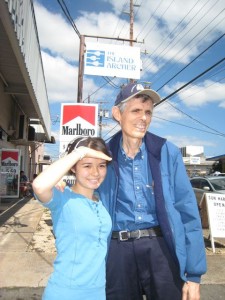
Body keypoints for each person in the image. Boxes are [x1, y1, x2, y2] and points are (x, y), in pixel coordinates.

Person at [96, 83, 207, 300]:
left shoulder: (168, 152)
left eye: (148, 112)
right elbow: (79, 190)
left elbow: (188, 214)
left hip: (160, 248)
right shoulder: (103, 157)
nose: (143, 118)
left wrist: (194, 275)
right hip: (118, 251)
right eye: (136, 110)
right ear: (118, 114)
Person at [32, 137, 112, 300]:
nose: (95, 173)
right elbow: (39, 186)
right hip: (66, 292)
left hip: (98, 291)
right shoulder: (62, 198)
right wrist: (80, 152)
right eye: (87, 165)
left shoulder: (101, 202)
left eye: (101, 166)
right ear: (74, 168)